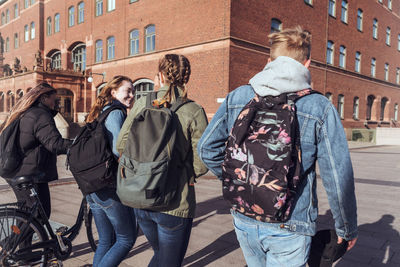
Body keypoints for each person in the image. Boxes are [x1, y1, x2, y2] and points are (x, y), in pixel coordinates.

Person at [197, 26, 358, 267]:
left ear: (268, 61)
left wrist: (242, 178)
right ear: (307, 64)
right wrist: (346, 227)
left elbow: (206, 148)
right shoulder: (319, 107)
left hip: (244, 214)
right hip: (291, 221)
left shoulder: (238, 96)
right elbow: (337, 175)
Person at [117, 54, 208, 267]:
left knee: (160, 256)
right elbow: (203, 160)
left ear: (160, 75)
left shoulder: (141, 103)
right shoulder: (193, 110)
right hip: (176, 202)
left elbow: (121, 145)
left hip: (141, 196)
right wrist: (185, 173)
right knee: (169, 261)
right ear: (187, 77)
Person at [85, 75, 137, 267]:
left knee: (106, 240)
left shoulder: (101, 111)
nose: (132, 95)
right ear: (113, 92)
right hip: (107, 186)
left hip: (92, 185)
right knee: (126, 239)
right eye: (127, 91)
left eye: (133, 91)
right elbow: (118, 150)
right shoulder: (116, 113)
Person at [1, 83, 72, 219]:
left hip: (17, 170)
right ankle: (17, 241)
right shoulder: (40, 115)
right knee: (38, 216)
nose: (55, 103)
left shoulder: (25, 112)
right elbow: (55, 144)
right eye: (53, 99)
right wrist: (77, 144)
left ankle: (20, 240)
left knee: (28, 216)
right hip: (31, 174)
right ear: (44, 98)